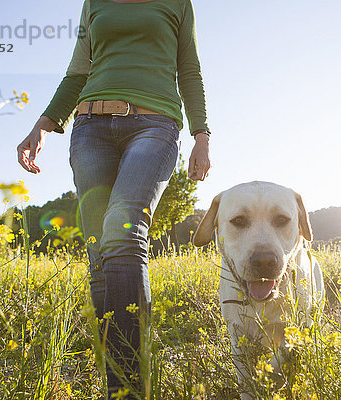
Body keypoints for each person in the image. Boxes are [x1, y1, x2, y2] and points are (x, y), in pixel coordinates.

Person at [16, 0, 211, 397]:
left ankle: (128, 390)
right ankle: (116, 387)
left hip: (155, 124)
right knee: (99, 256)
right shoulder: (94, 3)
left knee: (123, 236)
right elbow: (77, 73)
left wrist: (201, 134)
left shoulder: (177, 3)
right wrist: (43, 124)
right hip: (89, 127)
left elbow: (189, 70)